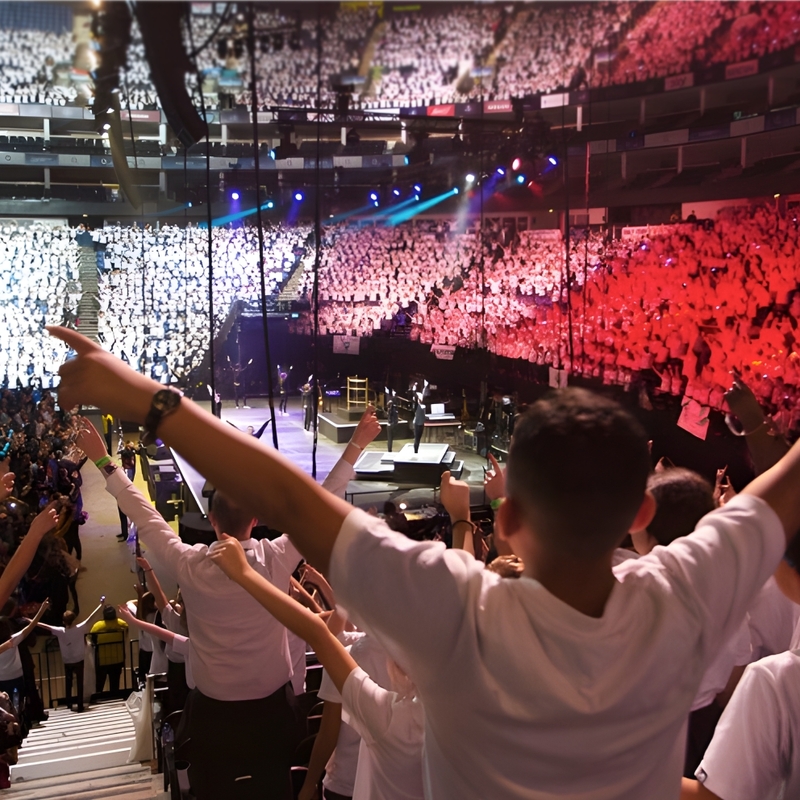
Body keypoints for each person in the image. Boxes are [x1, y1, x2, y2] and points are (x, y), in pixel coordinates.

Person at [49, 327, 800, 799]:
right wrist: (761, 432)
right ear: (639, 514)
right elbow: (782, 495)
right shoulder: (686, 594)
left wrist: (144, 399)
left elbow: (290, 498)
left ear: (509, 518)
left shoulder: (458, 610)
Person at [74, 419, 305, 800]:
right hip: (273, 710)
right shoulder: (277, 558)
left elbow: (144, 515)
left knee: (213, 789)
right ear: (256, 520)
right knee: (275, 785)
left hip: (214, 713)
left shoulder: (188, 564)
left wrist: (103, 461)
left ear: (211, 520)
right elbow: (320, 509)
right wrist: (354, 449)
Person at [210, 536, 425, 800]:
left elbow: (321, 637)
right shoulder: (441, 695)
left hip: (345, 784)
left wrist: (244, 573)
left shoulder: (382, 704)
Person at [37, 597, 105, 712]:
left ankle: (68, 703)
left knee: (68, 681)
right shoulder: (80, 628)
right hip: (79, 659)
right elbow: (91, 617)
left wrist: (31, 621)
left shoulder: (60, 631)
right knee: (79, 682)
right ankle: (79, 704)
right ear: (74, 619)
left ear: (63, 621)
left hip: (67, 660)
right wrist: (101, 605)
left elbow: (45, 626)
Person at [0, 600, 50, 703]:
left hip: (2, 678)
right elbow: (30, 627)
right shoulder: (13, 640)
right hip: (16, 675)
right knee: (17, 702)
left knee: (4, 704)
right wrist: (42, 609)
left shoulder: (7, 644)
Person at [90, 605, 128, 695]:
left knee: (99, 684)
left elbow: (92, 639)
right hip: (117, 659)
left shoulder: (97, 626)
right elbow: (126, 635)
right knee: (115, 683)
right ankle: (115, 697)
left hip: (102, 660)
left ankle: (98, 698)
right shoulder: (122, 624)